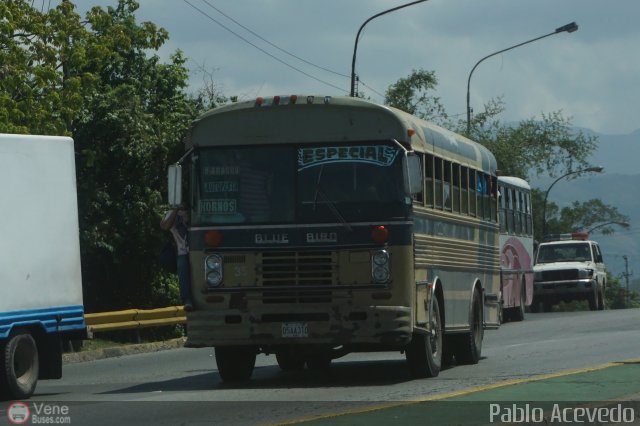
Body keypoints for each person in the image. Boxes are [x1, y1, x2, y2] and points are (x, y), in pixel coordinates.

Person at [160, 204, 193, 311]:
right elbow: (164, 226)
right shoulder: (171, 213)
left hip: (198, 249)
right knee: (182, 266)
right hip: (182, 251)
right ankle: (187, 299)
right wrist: (176, 210)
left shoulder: (196, 210)